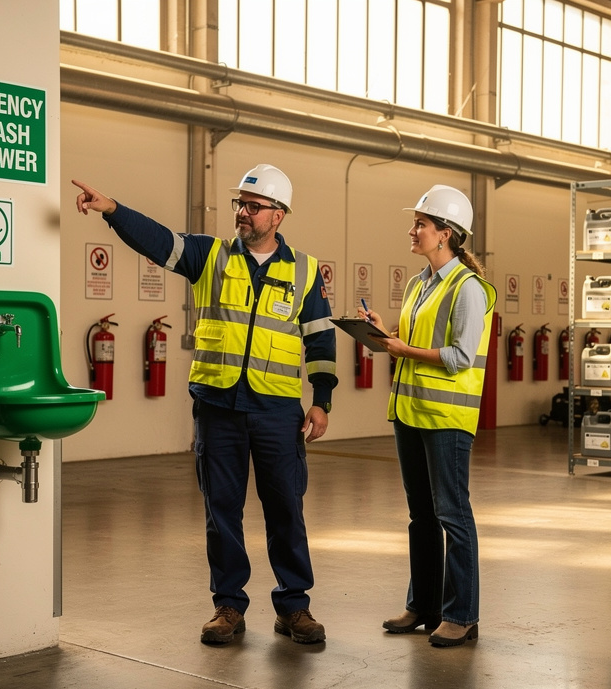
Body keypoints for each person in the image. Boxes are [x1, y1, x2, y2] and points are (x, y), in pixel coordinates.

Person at [72, 164, 338, 646]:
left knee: (285, 508)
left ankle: (294, 606)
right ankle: (228, 606)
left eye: (253, 206)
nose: (242, 212)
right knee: (222, 510)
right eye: (240, 203)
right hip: (218, 406)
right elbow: (156, 240)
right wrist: (112, 210)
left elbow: (320, 342)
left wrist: (321, 403)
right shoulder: (209, 256)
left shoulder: (304, 270)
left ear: (278, 215)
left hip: (278, 410)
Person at [358, 185, 496, 648]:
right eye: (415, 222)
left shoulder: (470, 289)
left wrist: (403, 350)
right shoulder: (419, 283)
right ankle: (424, 605)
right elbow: (413, 340)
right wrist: (385, 334)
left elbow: (459, 357)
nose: (412, 230)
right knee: (421, 516)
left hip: (447, 420)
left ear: (447, 234)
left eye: (421, 223)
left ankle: (462, 615)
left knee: (453, 516)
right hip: (410, 412)